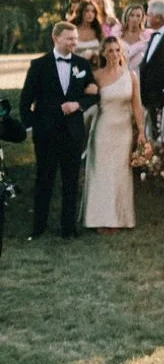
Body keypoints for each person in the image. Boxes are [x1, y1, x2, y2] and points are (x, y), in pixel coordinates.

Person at [20, 23, 99, 239]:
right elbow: (25, 101)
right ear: (55, 38)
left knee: (71, 181)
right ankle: (38, 227)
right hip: (46, 134)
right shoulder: (39, 65)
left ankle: (68, 228)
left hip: (72, 132)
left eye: (75, 39)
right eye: (69, 39)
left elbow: (94, 94)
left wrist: (78, 105)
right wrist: (35, 124)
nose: (74, 42)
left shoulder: (82, 64)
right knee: (44, 180)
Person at [81, 37, 143, 231]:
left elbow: (136, 105)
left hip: (123, 129)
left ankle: (119, 218)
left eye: (117, 50)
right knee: (101, 172)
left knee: (120, 173)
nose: (115, 54)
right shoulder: (97, 76)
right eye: (110, 51)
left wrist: (141, 131)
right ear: (104, 54)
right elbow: (86, 101)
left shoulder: (131, 75)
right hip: (103, 128)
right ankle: (99, 219)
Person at [137, 0, 164, 122]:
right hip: (150, 97)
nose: (146, 18)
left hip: (162, 97)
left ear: (159, 18)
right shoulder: (156, 34)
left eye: (149, 15)